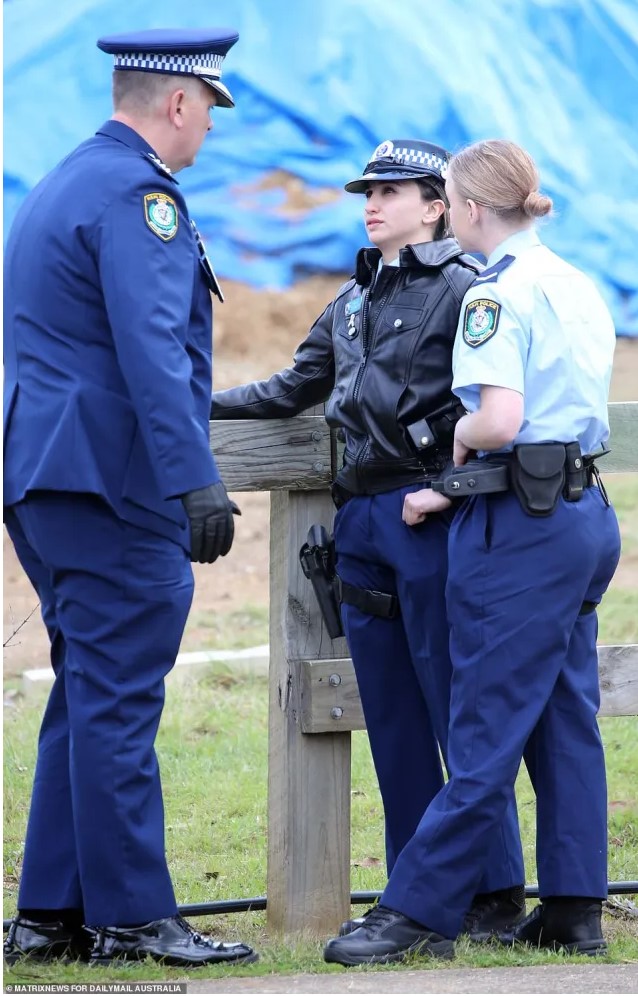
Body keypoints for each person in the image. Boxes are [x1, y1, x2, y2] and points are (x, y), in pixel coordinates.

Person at [211, 140, 526, 939]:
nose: (372, 202)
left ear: (437, 205)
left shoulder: (470, 292)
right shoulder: (350, 298)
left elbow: (495, 406)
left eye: (392, 190)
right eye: (367, 190)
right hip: (362, 522)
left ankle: (490, 895)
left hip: (433, 512)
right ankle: (415, 894)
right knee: (388, 711)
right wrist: (194, 406)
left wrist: (447, 491)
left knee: (457, 707)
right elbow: (293, 387)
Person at [323, 138, 622, 967]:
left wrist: (452, 446)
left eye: (449, 198)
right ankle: (571, 908)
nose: (447, 213)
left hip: (520, 522)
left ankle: (417, 909)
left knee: (483, 724)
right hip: (581, 509)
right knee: (565, 716)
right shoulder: (575, 281)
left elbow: (496, 418)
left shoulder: (497, 295)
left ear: (473, 209)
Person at [3, 28, 256, 967]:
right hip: (108, 483)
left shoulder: (67, 180)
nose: (206, 135)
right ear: (181, 103)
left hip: (49, 475)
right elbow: (154, 349)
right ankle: (134, 917)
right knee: (116, 699)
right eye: (208, 114)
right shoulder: (139, 195)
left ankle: (53, 914)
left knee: (87, 692)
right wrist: (195, 480)